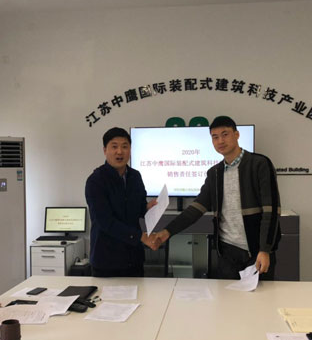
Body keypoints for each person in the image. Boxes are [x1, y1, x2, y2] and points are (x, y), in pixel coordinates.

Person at [148, 116, 281, 280]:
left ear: (237, 135)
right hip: (227, 253)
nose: (220, 141)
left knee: (261, 295)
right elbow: (195, 209)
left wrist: (265, 250)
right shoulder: (214, 173)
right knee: (226, 295)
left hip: (256, 251)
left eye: (225, 134)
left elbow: (271, 211)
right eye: (215, 137)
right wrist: (167, 232)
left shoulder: (259, 164)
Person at [85, 127, 155, 277]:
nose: (120, 152)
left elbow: (139, 208)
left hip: (134, 259)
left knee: (139, 293)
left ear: (130, 150)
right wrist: (140, 237)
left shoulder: (135, 176)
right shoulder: (96, 181)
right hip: (106, 260)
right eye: (114, 146)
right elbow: (105, 221)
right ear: (105, 150)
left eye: (125, 146)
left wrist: (148, 207)